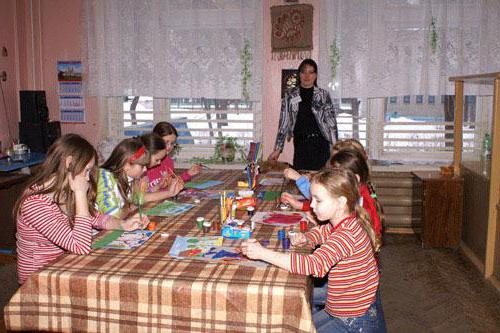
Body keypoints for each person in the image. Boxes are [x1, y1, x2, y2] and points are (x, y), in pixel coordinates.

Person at [241, 168, 386, 332]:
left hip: (352, 320)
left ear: (340, 202)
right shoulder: (345, 221)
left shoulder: (346, 235)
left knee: (297, 324)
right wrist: (308, 237)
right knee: (299, 325)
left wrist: (263, 253)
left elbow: (314, 265)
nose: (311, 205)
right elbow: (324, 231)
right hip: (342, 307)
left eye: (318, 200)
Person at [14, 134, 147, 284]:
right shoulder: (34, 203)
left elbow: (95, 218)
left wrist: (122, 224)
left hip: (66, 264)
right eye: (87, 170)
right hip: (39, 278)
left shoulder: (64, 190)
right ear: (69, 163)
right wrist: (80, 193)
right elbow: (80, 246)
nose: (88, 178)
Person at [268, 58, 338, 171]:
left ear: (315, 75)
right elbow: (283, 122)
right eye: (303, 71)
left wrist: (335, 150)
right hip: (300, 145)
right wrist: (278, 149)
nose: (307, 75)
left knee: (320, 182)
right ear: (299, 74)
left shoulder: (323, 95)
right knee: (300, 181)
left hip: (320, 144)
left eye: (311, 72)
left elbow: (331, 124)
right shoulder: (290, 95)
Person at [150, 122, 202, 186]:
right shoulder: (145, 163)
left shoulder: (168, 162)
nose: (169, 147)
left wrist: (188, 174)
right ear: (155, 140)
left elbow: (171, 184)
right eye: (166, 142)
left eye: (172, 143)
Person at [139, 132, 184, 200]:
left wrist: (159, 185)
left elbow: (147, 192)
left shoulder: (142, 172)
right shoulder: (137, 174)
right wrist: (169, 193)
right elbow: (141, 198)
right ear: (146, 155)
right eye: (157, 160)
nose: (159, 163)